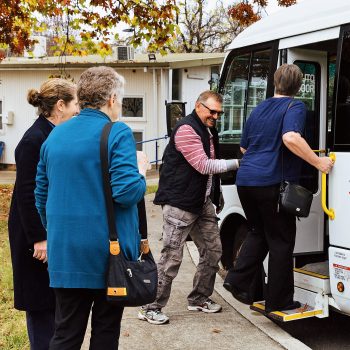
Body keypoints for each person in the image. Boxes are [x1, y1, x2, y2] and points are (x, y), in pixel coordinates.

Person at [35, 66, 149, 350]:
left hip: (66, 255)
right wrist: (142, 172)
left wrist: (59, 232)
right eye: (120, 100)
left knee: (65, 333)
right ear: (112, 98)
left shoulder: (55, 135)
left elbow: (40, 195)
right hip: (107, 257)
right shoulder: (117, 132)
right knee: (106, 333)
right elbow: (126, 192)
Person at [223, 64, 334, 313]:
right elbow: (291, 137)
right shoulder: (294, 106)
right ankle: (279, 301)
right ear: (298, 86)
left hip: (246, 181)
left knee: (258, 231)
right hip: (270, 183)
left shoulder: (258, 109)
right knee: (282, 241)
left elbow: (243, 148)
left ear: (275, 82)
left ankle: (236, 279)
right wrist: (319, 162)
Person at [138, 90, 240, 325]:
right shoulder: (186, 129)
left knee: (213, 251)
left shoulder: (208, 129)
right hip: (179, 204)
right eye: (211, 111)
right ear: (198, 106)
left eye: (219, 113)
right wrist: (238, 163)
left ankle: (199, 298)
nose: (215, 116)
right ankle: (150, 306)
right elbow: (204, 166)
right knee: (171, 257)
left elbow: (208, 173)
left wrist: (215, 196)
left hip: (201, 203)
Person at [8, 78, 78, 350]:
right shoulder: (34, 139)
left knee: (55, 307)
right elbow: (26, 194)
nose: (78, 110)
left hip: (50, 233)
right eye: (75, 104)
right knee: (41, 310)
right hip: (34, 238)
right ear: (60, 105)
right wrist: (39, 238)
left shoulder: (54, 134)